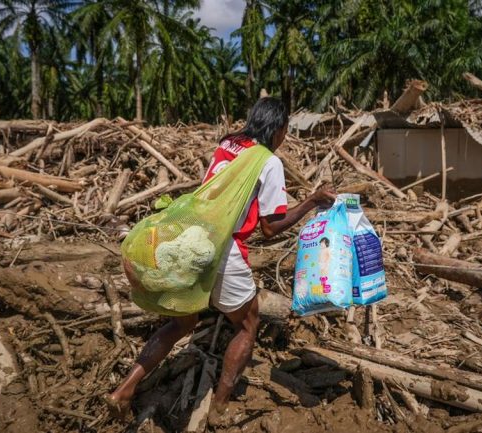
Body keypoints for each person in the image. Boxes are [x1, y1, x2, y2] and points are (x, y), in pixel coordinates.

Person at [106, 97, 335, 423]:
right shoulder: (269, 163)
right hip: (222, 250)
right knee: (247, 324)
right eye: (285, 129)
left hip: (192, 240)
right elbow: (271, 227)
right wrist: (311, 201)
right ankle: (220, 406)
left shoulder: (228, 144)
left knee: (180, 323)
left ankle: (125, 389)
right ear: (279, 128)